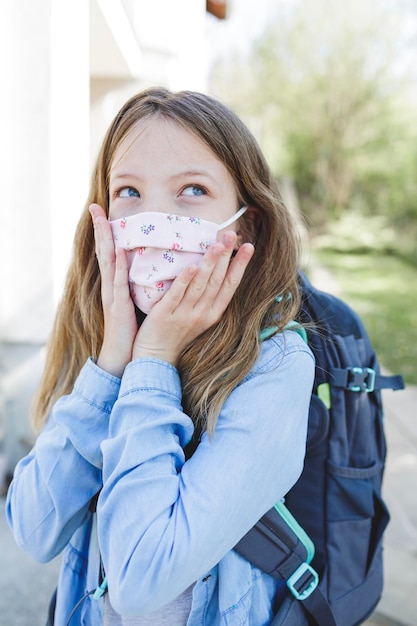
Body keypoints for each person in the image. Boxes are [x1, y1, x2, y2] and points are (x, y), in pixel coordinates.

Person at [6, 87, 314, 625]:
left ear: (248, 224)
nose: (153, 220)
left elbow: (141, 580)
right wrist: (110, 368)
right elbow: (33, 530)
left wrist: (153, 362)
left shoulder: (276, 367)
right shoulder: (104, 335)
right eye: (128, 191)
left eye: (192, 189)